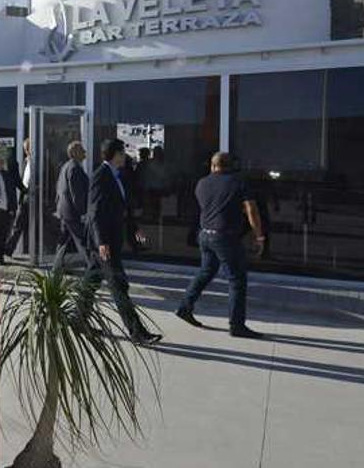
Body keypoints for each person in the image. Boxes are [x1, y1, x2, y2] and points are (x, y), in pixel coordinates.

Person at [175, 152, 266, 339]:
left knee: (206, 272)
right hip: (225, 238)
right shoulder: (238, 182)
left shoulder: (202, 183)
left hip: (205, 235)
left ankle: (185, 306)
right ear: (231, 166)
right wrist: (259, 236)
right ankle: (237, 325)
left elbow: (211, 206)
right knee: (237, 280)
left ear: (212, 166)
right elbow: (251, 209)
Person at [81, 139, 161, 346]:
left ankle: (77, 319)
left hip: (108, 240)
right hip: (104, 242)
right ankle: (138, 333)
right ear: (115, 154)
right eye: (122, 152)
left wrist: (135, 228)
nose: (125, 156)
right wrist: (101, 242)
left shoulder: (118, 176)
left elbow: (122, 208)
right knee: (118, 285)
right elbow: (94, 212)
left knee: (91, 282)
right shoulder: (100, 176)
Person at [52, 141, 90, 272]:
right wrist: (83, 212)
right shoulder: (74, 168)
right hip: (71, 213)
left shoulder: (66, 166)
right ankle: (92, 266)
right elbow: (76, 194)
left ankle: (57, 267)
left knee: (63, 241)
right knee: (82, 240)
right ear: (75, 153)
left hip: (64, 211)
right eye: (82, 150)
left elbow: (59, 188)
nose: (85, 153)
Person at [5, 138, 32, 257]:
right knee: (18, 224)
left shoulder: (41, 161)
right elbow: (22, 181)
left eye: (28, 148)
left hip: (36, 198)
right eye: (25, 149)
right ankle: (8, 249)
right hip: (25, 197)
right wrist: (24, 191)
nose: (26, 151)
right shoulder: (26, 162)